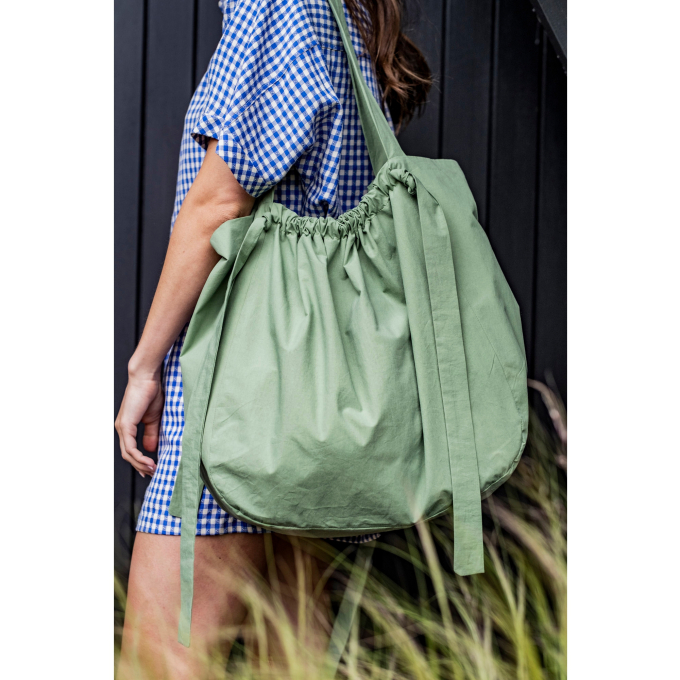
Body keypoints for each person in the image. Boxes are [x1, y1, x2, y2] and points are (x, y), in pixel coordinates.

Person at [115, 0, 430, 676]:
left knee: (158, 660)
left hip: (239, 400)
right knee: (291, 661)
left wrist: (145, 367)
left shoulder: (279, 6)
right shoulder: (343, 17)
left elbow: (220, 201)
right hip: (312, 415)